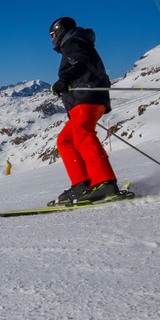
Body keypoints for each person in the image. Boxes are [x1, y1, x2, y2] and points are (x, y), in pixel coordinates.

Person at [48, 16, 119, 205]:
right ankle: (82, 184)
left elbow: (83, 62)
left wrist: (64, 80)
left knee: (83, 135)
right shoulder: (76, 42)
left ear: (60, 32)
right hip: (86, 99)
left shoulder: (73, 42)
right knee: (65, 140)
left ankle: (105, 182)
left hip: (86, 97)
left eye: (53, 35)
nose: (52, 39)